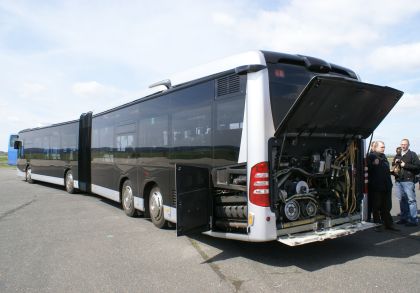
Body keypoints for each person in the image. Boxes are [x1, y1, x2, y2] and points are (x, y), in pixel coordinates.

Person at [367, 141, 398, 231]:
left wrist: (391, 171)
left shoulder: (383, 156)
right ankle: (377, 225)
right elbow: (366, 170)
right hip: (377, 186)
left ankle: (388, 224)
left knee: (387, 206)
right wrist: (372, 165)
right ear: (375, 147)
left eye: (384, 147)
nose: (383, 148)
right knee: (376, 206)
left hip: (386, 185)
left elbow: (384, 170)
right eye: (381, 147)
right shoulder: (371, 156)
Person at [394, 139, 420, 227]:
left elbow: (417, 167)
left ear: (408, 145)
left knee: (411, 200)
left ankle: (413, 220)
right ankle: (404, 218)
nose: (403, 146)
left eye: (405, 144)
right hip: (398, 181)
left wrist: (405, 165)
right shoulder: (398, 155)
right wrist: (393, 169)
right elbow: (394, 165)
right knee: (402, 200)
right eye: (402, 144)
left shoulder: (412, 154)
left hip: (408, 180)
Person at [367, 141, 376, 222]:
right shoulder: (370, 156)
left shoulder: (379, 156)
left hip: (375, 182)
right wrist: (373, 164)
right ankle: (368, 217)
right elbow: (368, 168)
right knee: (370, 201)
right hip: (371, 182)